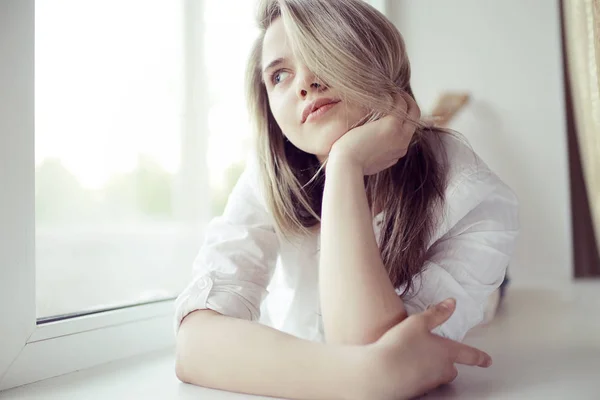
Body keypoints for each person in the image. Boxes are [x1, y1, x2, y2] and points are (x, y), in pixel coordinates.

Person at [175, 0, 519, 398]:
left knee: (499, 292)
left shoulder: (474, 196)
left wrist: (345, 165)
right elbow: (193, 346)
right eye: (280, 75)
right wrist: (367, 378)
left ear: (372, 59)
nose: (304, 83)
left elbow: (364, 344)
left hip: (484, 290)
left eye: (320, 51)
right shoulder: (270, 177)